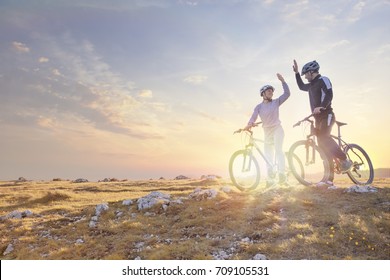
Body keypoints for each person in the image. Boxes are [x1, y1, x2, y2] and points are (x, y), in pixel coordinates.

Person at [292, 60, 352, 187]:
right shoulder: (310, 85)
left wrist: (322, 106)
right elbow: (301, 86)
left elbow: (329, 94)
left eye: (305, 74)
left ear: (311, 72)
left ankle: (344, 159)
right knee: (324, 149)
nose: (305, 76)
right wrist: (296, 73)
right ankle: (329, 179)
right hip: (317, 119)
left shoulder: (323, 80)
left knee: (325, 138)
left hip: (327, 114)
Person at [244, 73, 290, 187]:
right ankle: (270, 180)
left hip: (277, 129)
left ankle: (282, 174)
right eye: (268, 91)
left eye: (272, 91)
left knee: (278, 150)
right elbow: (253, 117)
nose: (271, 93)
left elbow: (287, 94)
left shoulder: (276, 102)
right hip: (267, 132)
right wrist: (249, 124)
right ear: (263, 94)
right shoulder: (258, 107)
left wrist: (283, 81)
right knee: (268, 155)